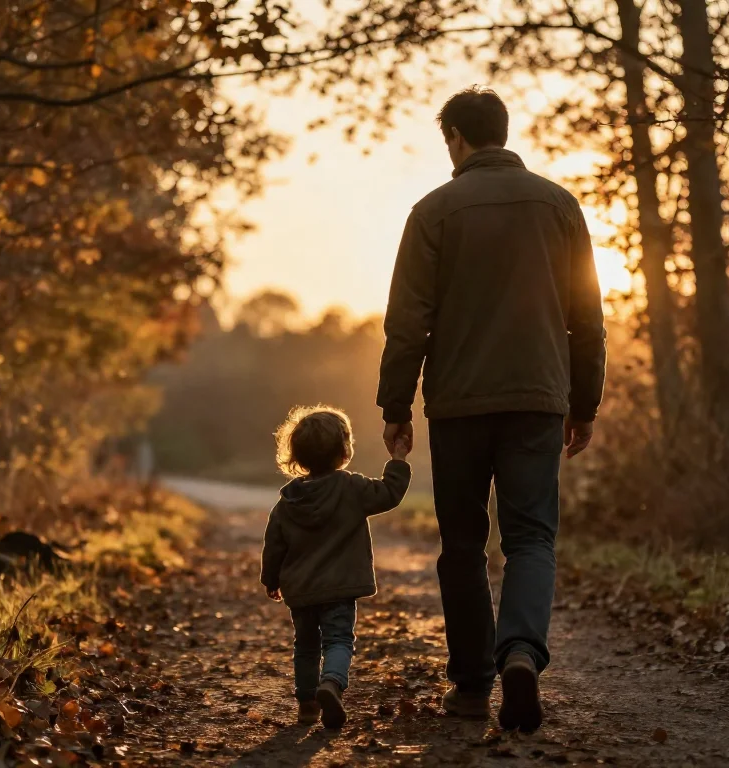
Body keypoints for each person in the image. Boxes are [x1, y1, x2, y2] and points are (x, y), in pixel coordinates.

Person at [376, 87, 607, 733]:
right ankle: (522, 656)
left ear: (454, 135)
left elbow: (407, 321)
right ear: (504, 133)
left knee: (464, 543)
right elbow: (587, 318)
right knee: (532, 537)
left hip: (457, 405)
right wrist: (583, 402)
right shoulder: (560, 205)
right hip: (538, 400)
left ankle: (473, 687)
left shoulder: (434, 210)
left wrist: (396, 403)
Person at [260, 405, 412, 728]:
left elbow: (273, 546)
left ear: (297, 457)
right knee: (339, 640)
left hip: (300, 592)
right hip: (340, 588)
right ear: (344, 451)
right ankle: (331, 683)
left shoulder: (286, 503)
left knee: (306, 644)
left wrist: (271, 580)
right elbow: (388, 493)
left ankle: (306, 704)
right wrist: (398, 460)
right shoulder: (352, 488)